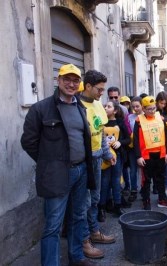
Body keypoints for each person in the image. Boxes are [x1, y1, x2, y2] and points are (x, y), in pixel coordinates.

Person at [21, 63, 95, 266]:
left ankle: (77, 256)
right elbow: (28, 141)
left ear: (80, 84)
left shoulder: (79, 106)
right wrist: (49, 162)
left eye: (75, 80)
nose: (71, 84)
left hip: (81, 171)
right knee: (53, 224)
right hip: (57, 174)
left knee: (78, 217)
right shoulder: (41, 109)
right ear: (58, 80)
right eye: (67, 79)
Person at [79, 71, 117, 259]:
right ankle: (84, 240)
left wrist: (107, 153)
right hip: (82, 162)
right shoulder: (77, 105)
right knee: (83, 202)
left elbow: (101, 133)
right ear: (88, 86)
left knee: (95, 198)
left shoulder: (98, 105)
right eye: (99, 89)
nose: (102, 92)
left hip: (96, 160)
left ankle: (94, 231)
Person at [134, 96, 167, 210]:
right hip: (146, 156)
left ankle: (162, 199)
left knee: (160, 178)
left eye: (153, 108)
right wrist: (138, 156)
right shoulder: (138, 121)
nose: (152, 111)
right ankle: (146, 200)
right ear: (143, 108)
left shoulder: (160, 118)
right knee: (146, 180)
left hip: (160, 154)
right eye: (149, 109)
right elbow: (136, 140)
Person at [99, 100, 130, 219]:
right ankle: (101, 207)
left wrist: (120, 142)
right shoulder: (101, 122)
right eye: (105, 106)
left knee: (116, 181)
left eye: (109, 106)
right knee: (104, 182)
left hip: (118, 156)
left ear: (115, 110)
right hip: (104, 157)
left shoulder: (120, 122)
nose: (106, 108)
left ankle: (117, 206)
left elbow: (128, 139)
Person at [124, 96, 143, 202]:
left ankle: (144, 189)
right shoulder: (129, 117)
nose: (135, 108)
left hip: (144, 147)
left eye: (137, 106)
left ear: (142, 106)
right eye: (133, 106)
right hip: (132, 147)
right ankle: (134, 190)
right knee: (133, 170)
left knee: (144, 170)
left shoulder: (146, 116)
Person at [156, 91, 167, 200]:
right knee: (157, 171)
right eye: (161, 103)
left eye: (165, 103)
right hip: (155, 145)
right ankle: (159, 190)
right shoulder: (153, 113)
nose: (163, 105)